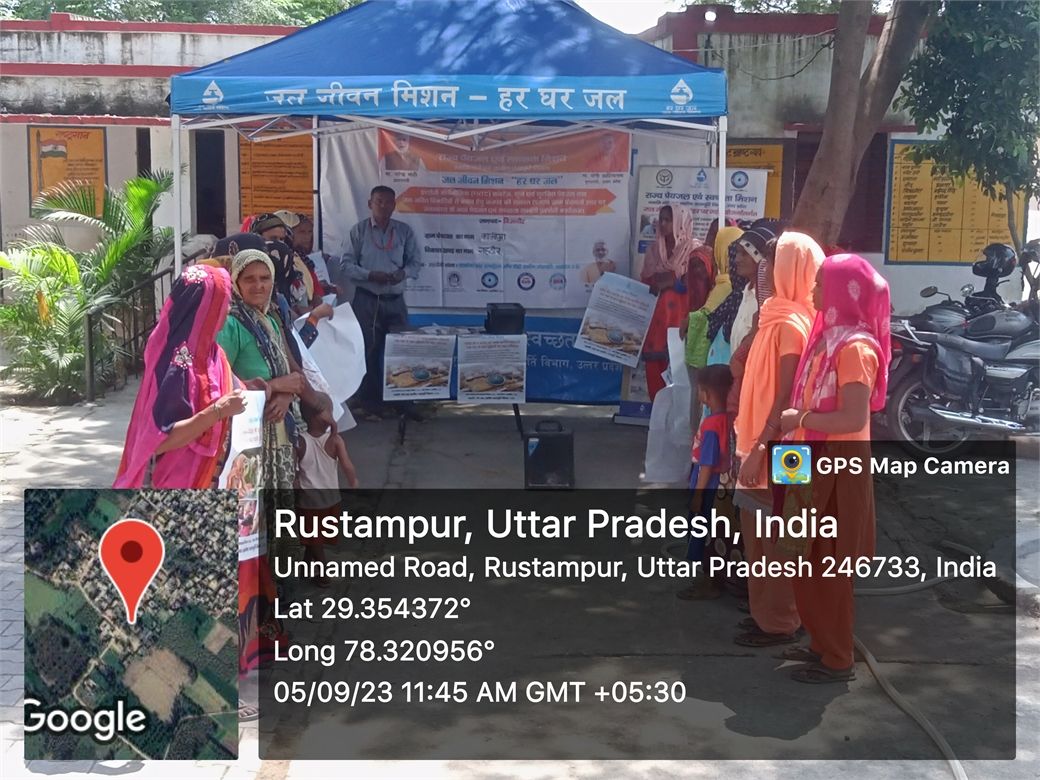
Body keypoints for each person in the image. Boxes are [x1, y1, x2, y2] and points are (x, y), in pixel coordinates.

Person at [775, 254, 890, 683]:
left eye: (822, 283)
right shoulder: (825, 340)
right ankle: (820, 643)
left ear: (844, 292)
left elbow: (853, 418)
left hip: (835, 468)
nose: (814, 290)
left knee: (828, 564)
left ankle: (838, 657)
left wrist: (800, 419)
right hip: (804, 460)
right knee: (800, 557)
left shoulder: (855, 349)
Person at [732, 232, 824, 648]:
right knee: (759, 534)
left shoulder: (790, 323)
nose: (766, 269)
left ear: (790, 269)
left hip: (784, 445)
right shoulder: (777, 315)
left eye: (774, 262)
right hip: (767, 440)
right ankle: (768, 614)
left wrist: (760, 448)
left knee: (780, 537)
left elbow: (787, 395)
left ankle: (781, 621)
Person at [114, 264, 249, 489]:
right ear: (206, 309)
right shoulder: (177, 365)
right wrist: (218, 411)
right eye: (224, 301)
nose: (228, 308)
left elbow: (220, 389)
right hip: (180, 483)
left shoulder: (210, 352)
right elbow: (159, 440)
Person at [330, 185, 422, 421]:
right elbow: (346, 265)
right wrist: (371, 275)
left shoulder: (404, 231)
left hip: (395, 301)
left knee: (401, 352)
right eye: (378, 201)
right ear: (370, 204)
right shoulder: (359, 231)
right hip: (367, 300)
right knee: (368, 352)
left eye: (388, 202)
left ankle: (404, 403)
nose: (383, 206)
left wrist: (402, 273)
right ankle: (371, 405)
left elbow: (415, 262)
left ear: (394, 205)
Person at [676, 364, 733, 601]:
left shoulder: (711, 425)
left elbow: (707, 464)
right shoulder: (729, 420)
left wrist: (697, 496)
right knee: (717, 535)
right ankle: (715, 580)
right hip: (720, 488)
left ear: (705, 394)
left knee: (703, 536)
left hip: (707, 488)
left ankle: (709, 584)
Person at [296, 395, 360, 587]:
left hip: (308, 500)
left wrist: (294, 489)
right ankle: (307, 565)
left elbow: (294, 473)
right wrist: (353, 481)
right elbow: (347, 465)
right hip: (331, 498)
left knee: (312, 536)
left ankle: (323, 572)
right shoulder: (335, 440)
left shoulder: (299, 441)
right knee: (317, 536)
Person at [640, 204, 700, 401]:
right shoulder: (653, 250)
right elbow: (646, 282)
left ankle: (677, 421)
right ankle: (657, 418)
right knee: (655, 377)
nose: (663, 223)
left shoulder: (693, 249)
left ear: (680, 222)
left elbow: (699, 282)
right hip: (655, 322)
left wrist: (671, 283)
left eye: (668, 219)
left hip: (680, 320)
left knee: (679, 377)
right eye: (661, 219)